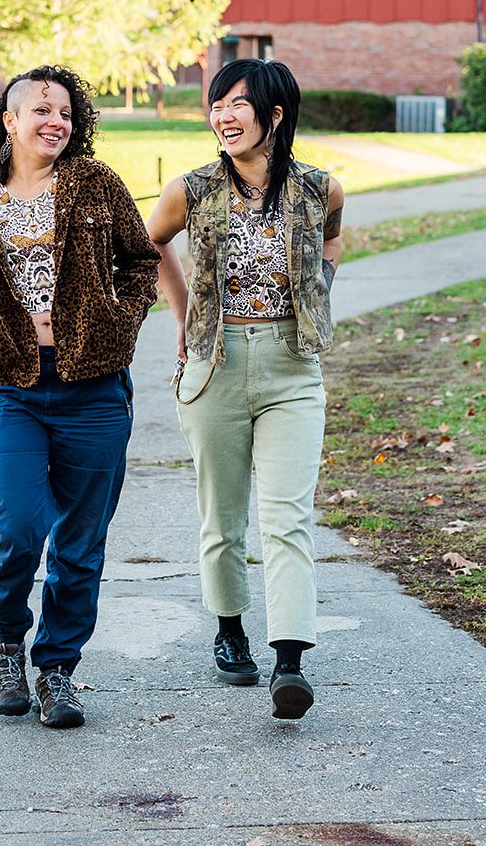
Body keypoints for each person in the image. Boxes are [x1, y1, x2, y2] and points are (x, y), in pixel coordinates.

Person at [0, 65, 159, 731]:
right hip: (9, 389)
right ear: (8, 121)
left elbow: (139, 260)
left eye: (65, 112)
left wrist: (120, 320)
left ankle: (57, 670)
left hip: (93, 385)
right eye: (41, 110)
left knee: (81, 541)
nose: (55, 121)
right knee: (17, 523)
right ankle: (5, 645)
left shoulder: (96, 185)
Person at [146, 57, 343, 720]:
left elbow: (333, 239)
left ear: (276, 114)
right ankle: (230, 632)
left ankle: (289, 662)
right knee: (223, 515)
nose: (223, 116)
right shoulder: (192, 189)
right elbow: (151, 246)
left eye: (237, 103)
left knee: (286, 517)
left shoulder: (320, 189)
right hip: (214, 366)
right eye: (217, 104)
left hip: (292, 367)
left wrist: (321, 294)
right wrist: (182, 317)